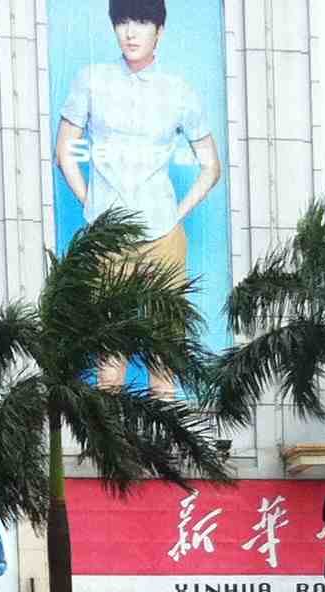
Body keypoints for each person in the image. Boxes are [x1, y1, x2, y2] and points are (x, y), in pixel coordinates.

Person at [54, 0, 221, 395]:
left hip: (163, 237)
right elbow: (64, 153)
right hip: (109, 242)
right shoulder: (91, 80)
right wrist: (93, 208)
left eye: (142, 22)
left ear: (159, 30)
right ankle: (113, 440)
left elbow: (211, 167)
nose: (130, 32)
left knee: (165, 363)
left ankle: (163, 438)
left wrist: (176, 214)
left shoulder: (178, 90)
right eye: (122, 21)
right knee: (109, 369)